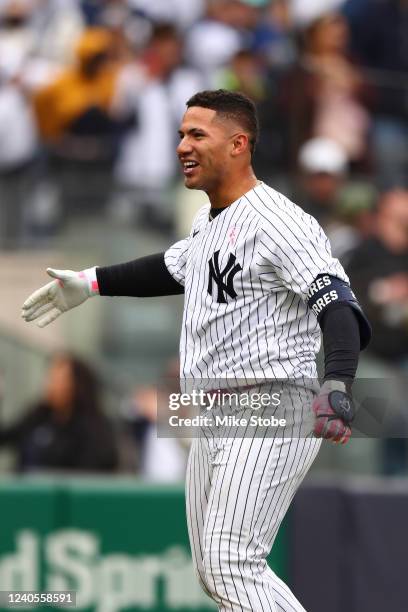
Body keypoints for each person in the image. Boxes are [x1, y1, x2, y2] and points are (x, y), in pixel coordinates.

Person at [21, 90, 371, 611]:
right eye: (182, 133)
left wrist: (339, 380)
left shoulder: (279, 222)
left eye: (196, 134)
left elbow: (337, 304)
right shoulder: (208, 221)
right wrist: (89, 283)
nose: (182, 144)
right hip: (214, 408)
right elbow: (171, 266)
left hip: (271, 403)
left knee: (231, 560)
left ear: (238, 144)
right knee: (214, 569)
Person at [0, 353, 118, 473]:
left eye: (58, 379)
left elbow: (91, 473)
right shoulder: (39, 415)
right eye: (50, 377)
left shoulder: (95, 429)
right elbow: (6, 436)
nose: (50, 384)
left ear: (76, 385)